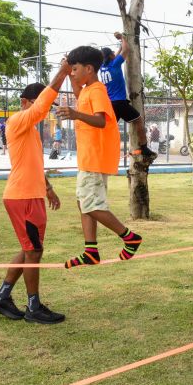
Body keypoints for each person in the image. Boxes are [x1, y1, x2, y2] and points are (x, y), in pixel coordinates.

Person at [0, 60, 70, 324]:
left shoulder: (30, 130)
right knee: (33, 251)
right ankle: (33, 307)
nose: (43, 111)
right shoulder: (18, 121)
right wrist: (63, 72)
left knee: (30, 249)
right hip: (21, 196)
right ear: (25, 102)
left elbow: (34, 164)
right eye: (37, 104)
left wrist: (49, 188)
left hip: (30, 195)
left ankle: (1, 298)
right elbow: (44, 103)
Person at [56, 45, 143, 268]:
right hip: (87, 159)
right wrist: (65, 71)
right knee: (82, 202)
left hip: (96, 157)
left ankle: (129, 238)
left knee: (91, 204)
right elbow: (77, 89)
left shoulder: (97, 90)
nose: (73, 73)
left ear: (89, 69)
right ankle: (91, 251)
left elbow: (101, 120)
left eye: (75, 69)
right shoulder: (86, 89)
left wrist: (75, 114)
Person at [100, 32, 157, 162]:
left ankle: (104, 149)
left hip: (110, 104)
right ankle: (144, 148)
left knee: (110, 128)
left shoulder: (102, 68)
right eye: (113, 54)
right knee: (138, 121)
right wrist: (122, 38)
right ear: (111, 56)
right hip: (120, 102)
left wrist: (120, 45)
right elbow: (126, 50)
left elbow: (117, 52)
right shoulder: (115, 64)